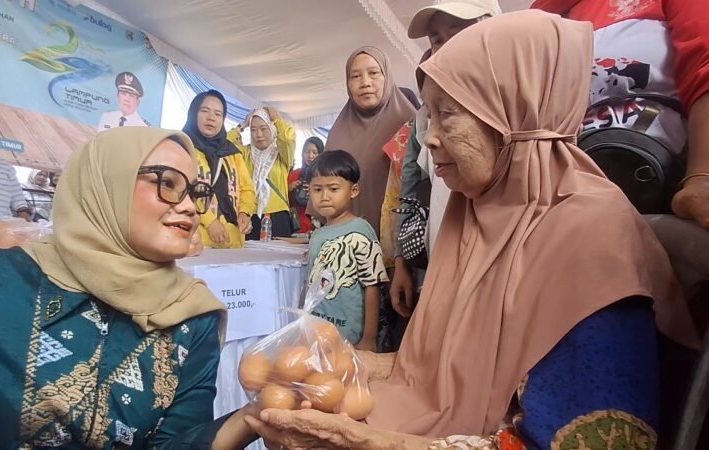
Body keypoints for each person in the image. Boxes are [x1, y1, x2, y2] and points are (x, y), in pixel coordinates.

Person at [244, 11, 698, 449]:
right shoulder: (476, 215)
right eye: (429, 117)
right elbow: (445, 373)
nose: (430, 138)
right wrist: (352, 364)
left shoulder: (590, 241)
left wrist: (369, 441)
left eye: (449, 114)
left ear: (514, 115)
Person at [0, 127, 259, 449]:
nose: (189, 207)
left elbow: (174, 443)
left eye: (195, 192)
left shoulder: (192, 314)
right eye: (168, 183)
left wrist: (252, 418)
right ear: (105, 184)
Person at [532, 0, 709, 230]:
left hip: (656, 182)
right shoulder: (540, 14)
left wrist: (702, 177)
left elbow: (704, 68)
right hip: (555, 187)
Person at [391, 0, 501, 319]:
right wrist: (403, 262)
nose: (446, 48)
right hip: (442, 266)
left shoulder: (523, 113)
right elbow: (411, 188)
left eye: (459, 32)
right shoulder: (425, 117)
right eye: (437, 39)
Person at [320, 46, 417, 268]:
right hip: (348, 255)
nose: (365, 82)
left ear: (387, 76)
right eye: (355, 76)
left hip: (403, 255)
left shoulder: (410, 126)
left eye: (374, 73)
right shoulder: (338, 133)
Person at [305, 150, 388, 352]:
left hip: (351, 339)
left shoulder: (361, 231)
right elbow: (311, 283)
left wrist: (369, 338)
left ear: (353, 190)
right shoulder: (317, 235)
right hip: (318, 335)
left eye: (333, 189)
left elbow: (372, 286)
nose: (324, 197)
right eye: (317, 190)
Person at [183, 89, 255, 249]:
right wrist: (209, 221)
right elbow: (180, 191)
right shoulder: (183, 147)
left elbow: (247, 189)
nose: (211, 118)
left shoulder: (232, 152)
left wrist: (244, 213)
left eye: (218, 114)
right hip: (196, 242)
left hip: (233, 242)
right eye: (204, 111)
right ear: (194, 113)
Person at [229, 106, 296, 239]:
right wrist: (242, 125)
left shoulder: (282, 154)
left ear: (272, 128)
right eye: (253, 129)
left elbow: (288, 139)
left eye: (263, 128)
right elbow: (225, 145)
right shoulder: (245, 153)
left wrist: (276, 119)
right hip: (249, 217)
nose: (258, 134)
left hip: (278, 217)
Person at [288, 137, 324, 234]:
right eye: (307, 152)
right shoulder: (294, 174)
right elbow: (284, 201)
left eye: (315, 152)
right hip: (296, 225)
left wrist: (315, 193)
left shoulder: (325, 176)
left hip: (318, 227)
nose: (310, 156)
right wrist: (290, 188)